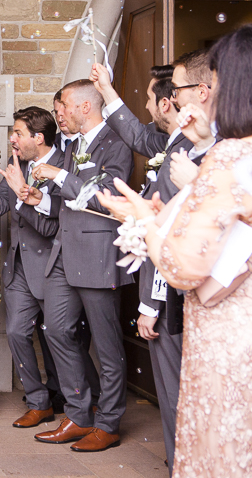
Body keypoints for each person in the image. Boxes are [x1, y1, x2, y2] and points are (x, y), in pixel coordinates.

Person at [96, 24, 252, 478]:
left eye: (216, 82)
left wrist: (146, 221)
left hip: (230, 331)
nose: (207, 93)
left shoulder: (230, 158)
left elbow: (184, 267)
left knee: (223, 443)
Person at [90, 62, 191, 472]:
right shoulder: (171, 143)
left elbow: (174, 233)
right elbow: (135, 133)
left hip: (173, 292)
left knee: (178, 392)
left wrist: (151, 303)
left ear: (170, 102)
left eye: (150, 98)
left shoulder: (185, 153)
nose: (146, 105)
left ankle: (183, 462)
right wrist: (107, 89)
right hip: (171, 289)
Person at [29, 79, 134, 452]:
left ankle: (108, 423)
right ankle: (78, 413)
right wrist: (40, 197)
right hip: (64, 252)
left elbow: (106, 198)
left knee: (107, 347)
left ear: (85, 108)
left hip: (98, 254)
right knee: (55, 329)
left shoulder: (118, 143)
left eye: (66, 108)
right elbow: (65, 203)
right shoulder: (72, 146)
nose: (61, 116)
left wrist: (59, 176)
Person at [0, 107, 69, 428]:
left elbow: (49, 227)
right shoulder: (17, 165)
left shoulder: (65, 165)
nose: (11, 139)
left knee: (59, 338)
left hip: (55, 270)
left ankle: (72, 400)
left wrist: (20, 193)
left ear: (38, 137)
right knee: (15, 332)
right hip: (19, 270)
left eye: (17, 133)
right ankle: (38, 401)